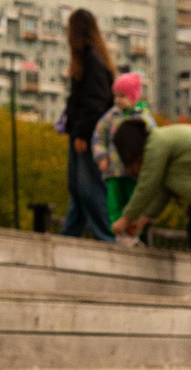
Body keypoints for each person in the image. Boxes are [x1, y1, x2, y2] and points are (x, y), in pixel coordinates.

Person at [110, 117, 191, 296]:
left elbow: (146, 186)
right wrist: (142, 221)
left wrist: (125, 218)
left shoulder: (155, 145)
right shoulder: (161, 141)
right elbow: (164, 191)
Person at [57, 11, 117, 243]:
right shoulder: (88, 60)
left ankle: (107, 236)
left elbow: (95, 101)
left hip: (90, 135)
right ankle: (71, 234)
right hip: (81, 132)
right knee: (77, 187)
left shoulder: (92, 60)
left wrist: (82, 132)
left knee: (89, 187)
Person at [97, 72, 155, 227]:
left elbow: (152, 141)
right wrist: (101, 156)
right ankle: (116, 232)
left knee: (134, 203)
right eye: (115, 96)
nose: (117, 100)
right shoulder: (111, 116)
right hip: (113, 170)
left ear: (133, 96)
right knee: (114, 203)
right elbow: (99, 136)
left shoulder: (143, 118)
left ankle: (133, 231)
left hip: (134, 171)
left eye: (122, 96)